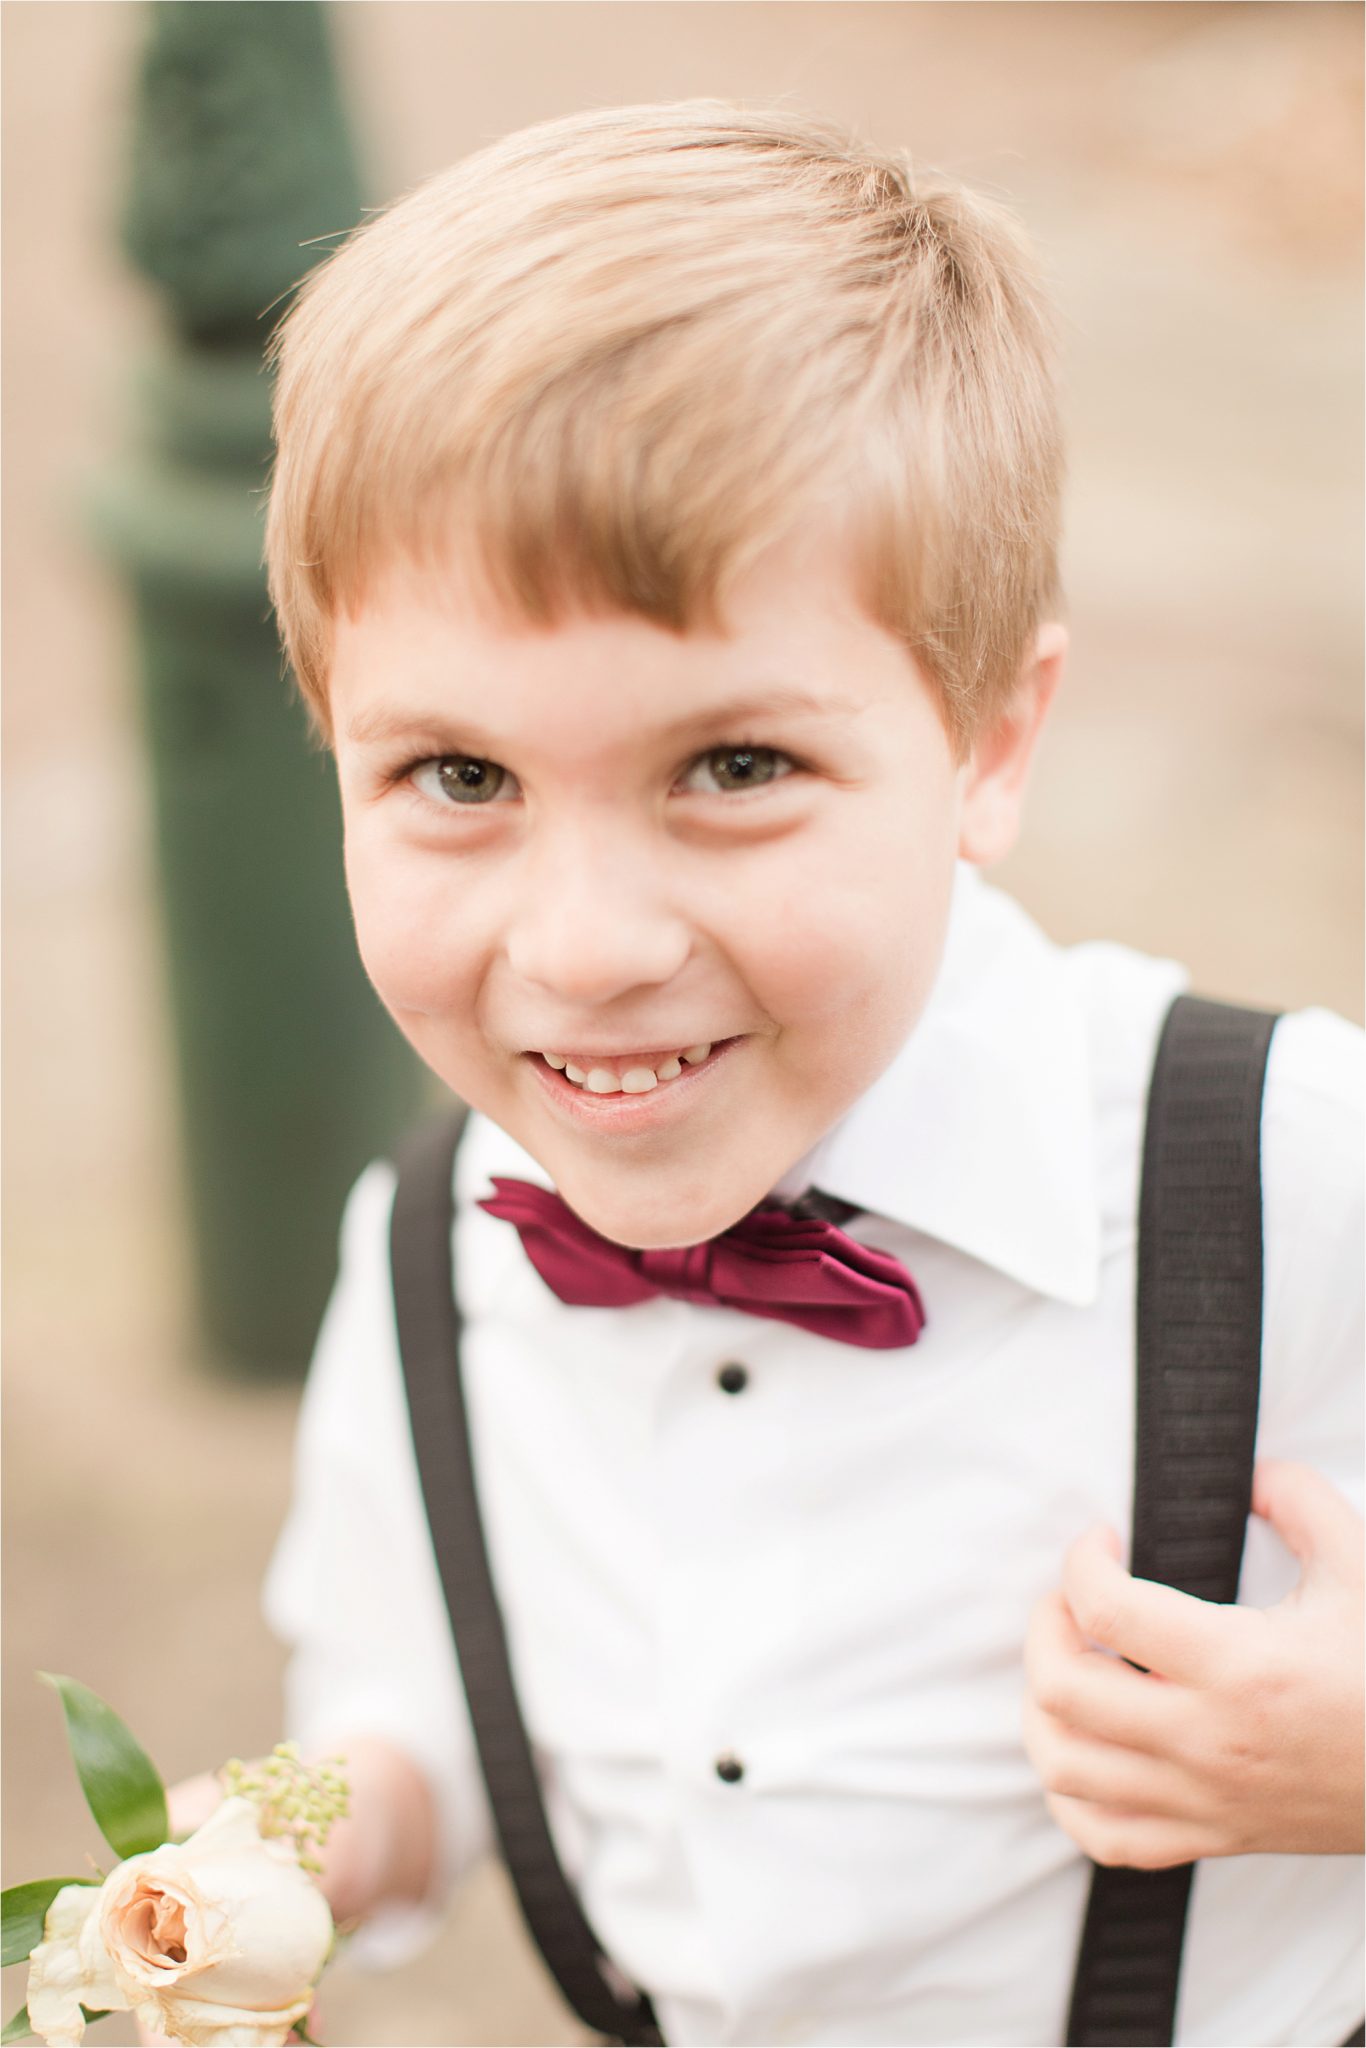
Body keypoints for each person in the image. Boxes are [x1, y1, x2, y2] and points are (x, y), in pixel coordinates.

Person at [172, 103, 1363, 2044]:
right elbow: (397, 1705)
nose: (581, 943)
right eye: (456, 777)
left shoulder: (1296, 1172)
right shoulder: (423, 1249)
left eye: (729, 769)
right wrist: (276, 1846)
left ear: (986, 740)